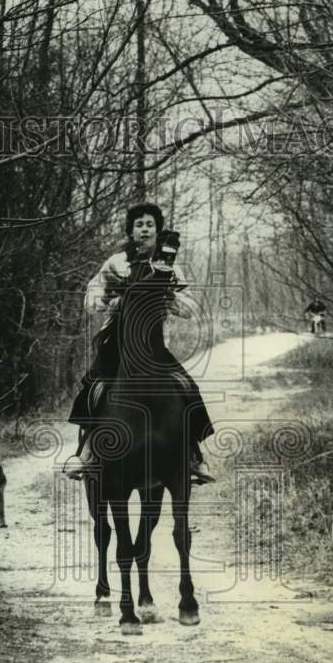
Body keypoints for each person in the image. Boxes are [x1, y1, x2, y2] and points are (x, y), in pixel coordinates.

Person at [65, 203, 215, 483]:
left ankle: (194, 456)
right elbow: (93, 293)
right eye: (139, 224)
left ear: (158, 229)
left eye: (149, 224)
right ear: (131, 230)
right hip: (117, 341)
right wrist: (110, 300)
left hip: (153, 343)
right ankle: (85, 452)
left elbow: (189, 305)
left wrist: (169, 297)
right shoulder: (116, 262)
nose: (144, 229)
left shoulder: (171, 266)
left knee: (186, 385)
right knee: (95, 385)